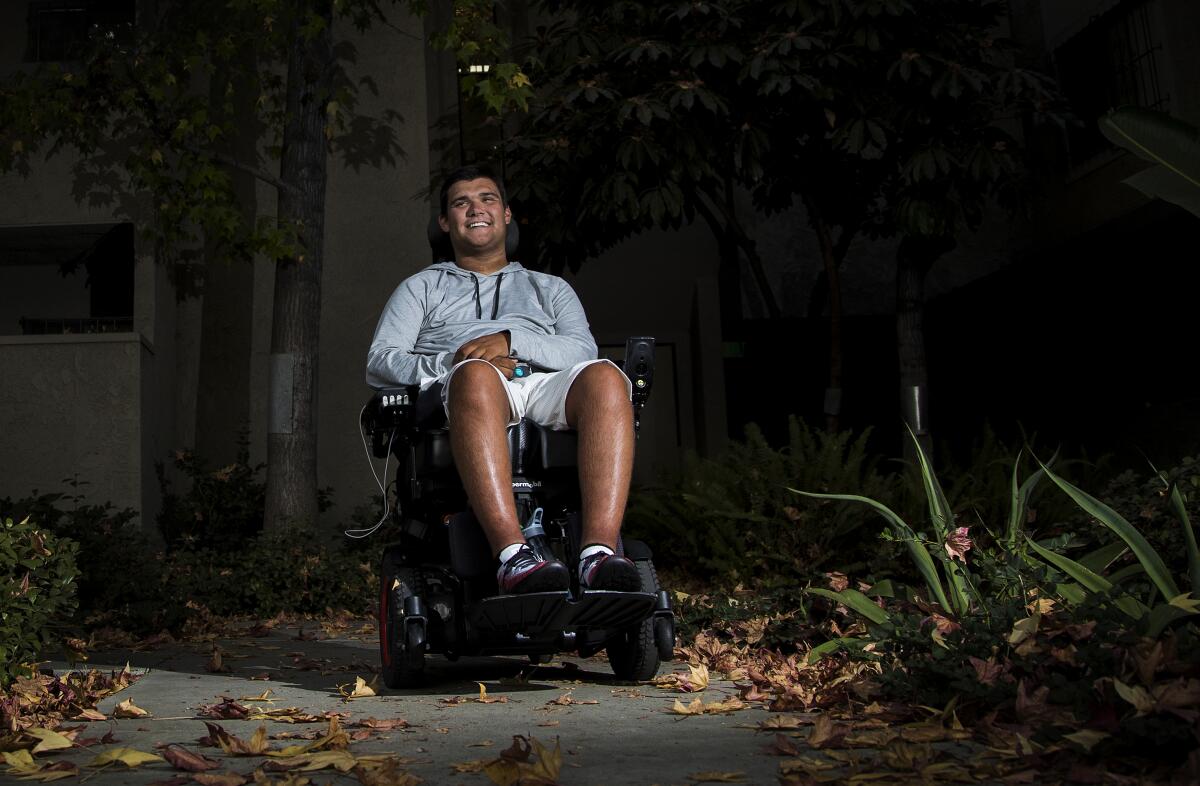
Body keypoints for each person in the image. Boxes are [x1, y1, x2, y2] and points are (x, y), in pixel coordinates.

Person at [366, 164, 640, 596]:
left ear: (506, 214)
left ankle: (598, 554)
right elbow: (381, 362)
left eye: (487, 198)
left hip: (542, 384)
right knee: (475, 375)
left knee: (607, 376)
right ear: (444, 222)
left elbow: (581, 351)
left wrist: (510, 339)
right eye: (461, 202)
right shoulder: (420, 288)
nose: (476, 209)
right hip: (465, 389)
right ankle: (513, 556)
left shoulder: (549, 287)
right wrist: (453, 360)